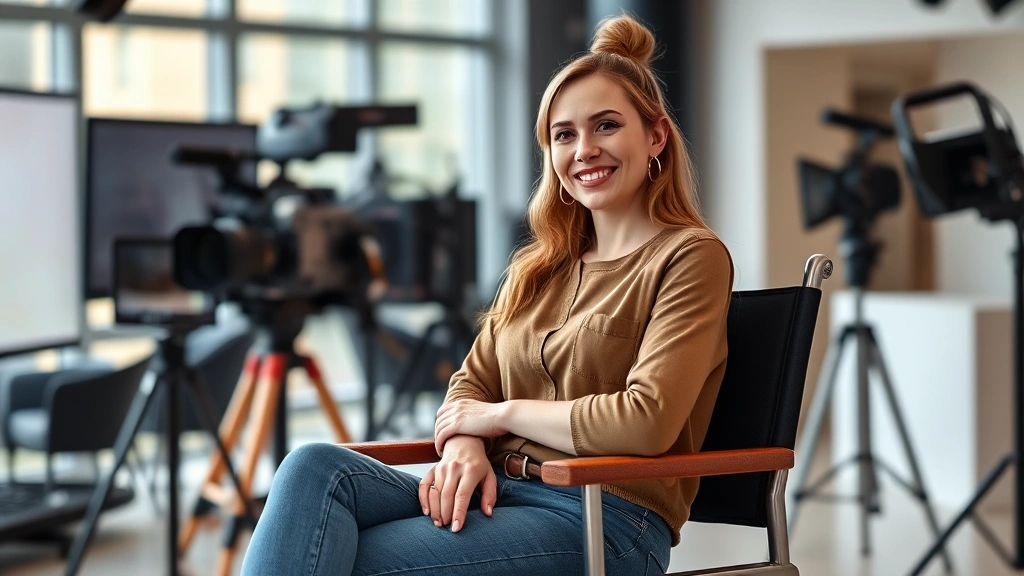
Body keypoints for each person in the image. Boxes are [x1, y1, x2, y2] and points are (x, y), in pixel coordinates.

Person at [241, 14, 733, 576]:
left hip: (606, 519)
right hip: (501, 492)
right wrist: (465, 446)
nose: (584, 150)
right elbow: (467, 387)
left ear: (656, 137)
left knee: (334, 555)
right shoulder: (539, 267)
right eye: (564, 135)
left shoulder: (689, 257)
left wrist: (498, 418)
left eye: (606, 126)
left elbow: (646, 422)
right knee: (311, 469)